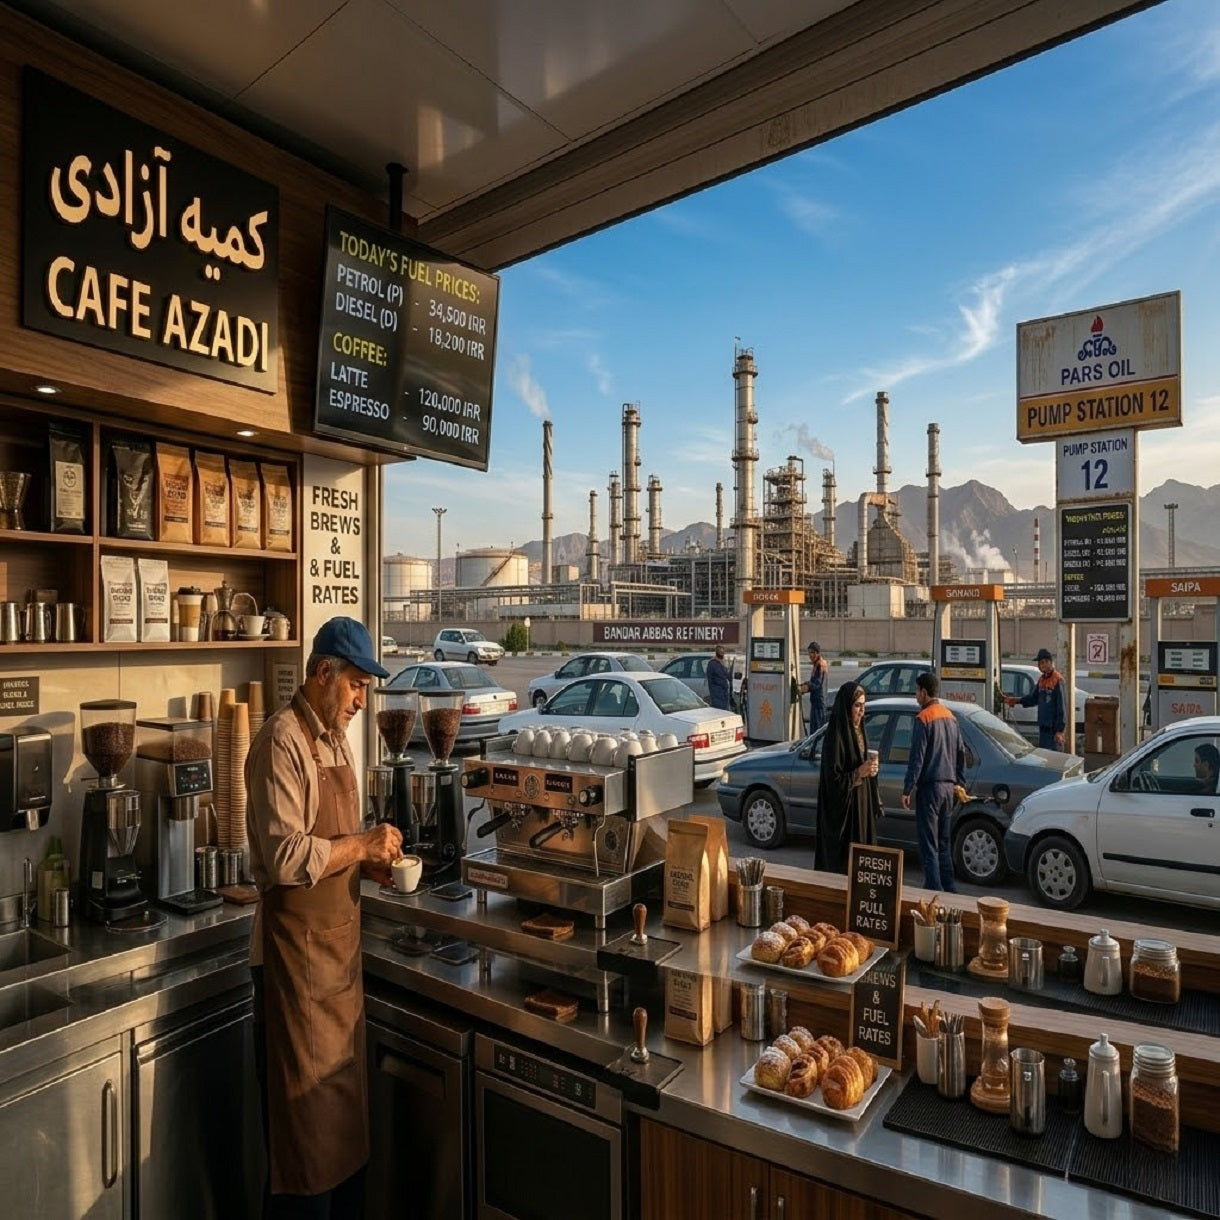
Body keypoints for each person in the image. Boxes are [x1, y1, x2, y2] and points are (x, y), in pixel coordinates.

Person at [245, 617, 402, 1218]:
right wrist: (361, 846)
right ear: (321, 674)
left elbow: (332, 847)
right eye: (357, 686)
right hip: (293, 975)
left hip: (337, 975)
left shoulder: (335, 741)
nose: (362, 701)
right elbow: (286, 855)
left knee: (345, 1159)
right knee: (302, 1165)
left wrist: (367, 865)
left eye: (365, 689)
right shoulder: (280, 741)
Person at [902, 672, 966, 892]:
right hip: (949, 788)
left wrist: (908, 788)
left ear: (924, 692)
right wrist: (960, 783)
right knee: (943, 844)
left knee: (928, 844)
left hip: (930, 788)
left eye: (916, 691)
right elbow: (960, 754)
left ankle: (934, 890)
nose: (915, 696)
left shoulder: (924, 718)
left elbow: (916, 758)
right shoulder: (951, 717)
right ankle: (950, 889)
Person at [814, 681, 880, 873]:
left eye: (863, 705)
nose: (861, 711)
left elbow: (860, 765)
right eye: (857, 706)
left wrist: (871, 770)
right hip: (843, 818)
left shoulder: (859, 731)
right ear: (846, 707)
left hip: (860, 806)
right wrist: (860, 772)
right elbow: (833, 782)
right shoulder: (835, 737)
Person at [1004, 647, 1066, 750]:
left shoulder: (1057, 680)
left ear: (1050, 662)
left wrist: (1059, 731)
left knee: (1054, 760)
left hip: (1053, 731)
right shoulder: (1042, 680)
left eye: (1044, 662)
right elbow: (1033, 698)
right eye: (1040, 663)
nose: (1042, 665)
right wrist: (1017, 700)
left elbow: (1062, 707)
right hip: (1043, 729)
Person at [800, 641, 830, 732]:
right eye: (809, 653)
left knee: (816, 729)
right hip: (818, 700)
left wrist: (806, 687)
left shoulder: (820, 665)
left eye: (812, 653)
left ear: (818, 653)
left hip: (818, 702)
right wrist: (805, 684)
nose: (810, 655)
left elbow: (817, 683)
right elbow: (814, 681)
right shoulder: (818, 663)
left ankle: (815, 746)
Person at [706, 645, 732, 711]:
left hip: (724, 692)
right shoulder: (713, 664)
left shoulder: (722, 663)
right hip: (717, 692)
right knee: (719, 711)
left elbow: (728, 676)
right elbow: (721, 676)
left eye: (723, 652)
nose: (722, 654)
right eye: (721, 651)